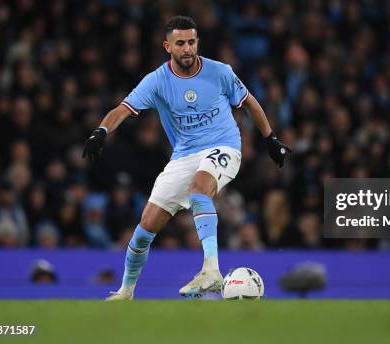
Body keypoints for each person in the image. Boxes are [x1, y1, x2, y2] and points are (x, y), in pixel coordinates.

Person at [82, 15, 290, 300]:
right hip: (183, 156)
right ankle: (126, 291)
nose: (188, 48)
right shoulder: (156, 81)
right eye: (180, 43)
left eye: (192, 42)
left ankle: (211, 270)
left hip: (224, 146)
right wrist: (101, 131)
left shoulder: (220, 72)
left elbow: (249, 102)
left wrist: (270, 138)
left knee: (199, 189)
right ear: (167, 46)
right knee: (145, 228)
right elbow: (123, 109)